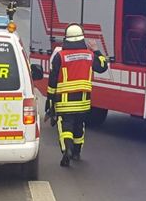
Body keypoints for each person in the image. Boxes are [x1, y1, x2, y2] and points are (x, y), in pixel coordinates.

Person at [45, 24, 109, 167]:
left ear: (66, 39)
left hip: (64, 100)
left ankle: (66, 149)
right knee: (79, 125)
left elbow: (53, 79)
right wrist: (97, 50)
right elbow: (103, 67)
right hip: (83, 101)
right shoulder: (89, 55)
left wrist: (50, 98)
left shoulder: (60, 56)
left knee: (65, 125)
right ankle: (76, 152)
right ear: (82, 38)